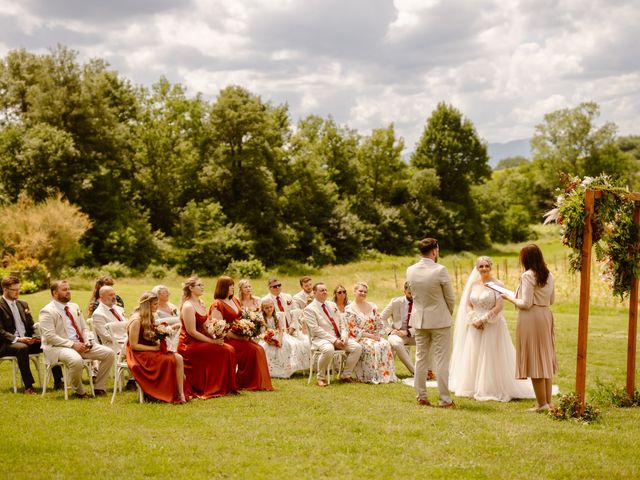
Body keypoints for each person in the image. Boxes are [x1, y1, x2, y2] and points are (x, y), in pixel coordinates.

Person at [449, 257, 535, 402]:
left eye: (486, 266)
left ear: (490, 267)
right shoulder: (473, 285)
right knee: (474, 354)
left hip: (492, 324)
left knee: (490, 355)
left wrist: (483, 319)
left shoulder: (497, 284)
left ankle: (491, 386)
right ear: (477, 268)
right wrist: (474, 318)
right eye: (481, 266)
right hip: (475, 324)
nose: (484, 269)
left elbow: (499, 306)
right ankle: (473, 386)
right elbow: (468, 304)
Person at [502, 244, 557, 412]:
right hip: (546, 315)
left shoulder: (527, 275)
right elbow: (552, 300)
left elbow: (525, 303)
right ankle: (547, 402)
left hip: (531, 318)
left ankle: (541, 404)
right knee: (544, 360)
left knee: (535, 359)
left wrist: (508, 298)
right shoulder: (549, 274)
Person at [39, 280, 115, 398]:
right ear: (54, 293)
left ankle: (99, 387)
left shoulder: (74, 306)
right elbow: (50, 337)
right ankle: (79, 392)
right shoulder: (47, 311)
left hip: (80, 344)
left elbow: (84, 328)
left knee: (109, 353)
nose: (68, 292)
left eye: (68, 289)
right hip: (58, 347)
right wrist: (72, 345)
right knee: (76, 360)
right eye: (64, 290)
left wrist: (87, 341)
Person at [406, 238, 455, 407]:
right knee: (441, 360)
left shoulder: (410, 270)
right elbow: (450, 298)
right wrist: (448, 313)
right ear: (435, 251)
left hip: (419, 320)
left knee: (421, 359)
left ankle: (421, 397)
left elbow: (413, 294)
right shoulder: (440, 270)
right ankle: (445, 400)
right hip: (440, 320)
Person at [177, 277, 238, 399]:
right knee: (225, 351)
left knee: (229, 349)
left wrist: (216, 333)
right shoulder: (188, 306)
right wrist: (212, 341)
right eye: (199, 285)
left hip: (202, 339)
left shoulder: (201, 303)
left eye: (202, 285)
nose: (202, 287)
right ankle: (212, 386)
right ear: (191, 288)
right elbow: (192, 332)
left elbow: (205, 325)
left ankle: (224, 386)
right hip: (189, 344)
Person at [210, 276, 273, 391]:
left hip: (239, 335)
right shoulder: (217, 304)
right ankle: (248, 383)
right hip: (228, 338)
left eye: (233, 285)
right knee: (252, 351)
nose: (233, 287)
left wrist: (247, 331)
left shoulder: (234, 299)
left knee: (259, 348)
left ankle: (257, 382)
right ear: (223, 287)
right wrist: (240, 337)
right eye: (230, 285)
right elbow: (219, 329)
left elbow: (240, 318)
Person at [0, 276, 62, 393]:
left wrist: (36, 337)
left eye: (19, 289)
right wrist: (18, 339)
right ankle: (28, 387)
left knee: (49, 342)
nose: (18, 292)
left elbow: (31, 325)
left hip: (26, 340)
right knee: (22, 348)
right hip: (6, 344)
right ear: (5, 289)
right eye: (15, 290)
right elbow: (1, 331)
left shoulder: (23, 304)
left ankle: (58, 381)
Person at [126, 291, 187, 403]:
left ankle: (181, 393)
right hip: (139, 354)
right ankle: (167, 392)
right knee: (169, 360)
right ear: (147, 305)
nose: (157, 306)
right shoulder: (136, 320)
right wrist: (154, 349)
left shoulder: (150, 317)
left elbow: (152, 336)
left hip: (150, 348)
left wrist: (166, 331)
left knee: (178, 358)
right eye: (155, 304)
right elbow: (134, 345)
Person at [303, 282, 362, 387]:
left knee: (357, 347)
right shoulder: (309, 309)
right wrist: (334, 341)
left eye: (326, 290)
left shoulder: (332, 305)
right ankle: (320, 378)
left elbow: (342, 323)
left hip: (338, 337)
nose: (325, 292)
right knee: (328, 349)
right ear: (314, 292)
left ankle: (346, 375)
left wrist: (344, 337)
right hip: (320, 339)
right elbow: (315, 329)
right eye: (322, 290)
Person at [344, 282, 397, 384]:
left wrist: (378, 334)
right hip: (359, 337)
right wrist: (370, 336)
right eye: (360, 291)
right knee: (374, 346)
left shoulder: (372, 306)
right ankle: (371, 376)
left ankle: (385, 375)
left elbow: (379, 322)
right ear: (355, 292)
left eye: (365, 292)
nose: (363, 293)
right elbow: (353, 328)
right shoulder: (349, 309)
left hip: (374, 335)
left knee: (385, 343)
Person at [258, 298, 307, 378]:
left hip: (279, 336)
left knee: (287, 345)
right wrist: (268, 340)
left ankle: (286, 370)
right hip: (267, 338)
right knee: (265, 348)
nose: (269, 309)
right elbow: (262, 333)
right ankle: (270, 371)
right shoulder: (261, 318)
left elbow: (280, 330)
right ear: (263, 309)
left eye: (271, 307)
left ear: (273, 306)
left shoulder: (277, 316)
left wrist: (279, 340)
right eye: (266, 308)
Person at [380, 282, 417, 376]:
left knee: (430, 341)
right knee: (396, 343)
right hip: (397, 334)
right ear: (404, 291)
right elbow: (381, 318)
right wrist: (390, 331)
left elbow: (424, 323)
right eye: (409, 293)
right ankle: (415, 372)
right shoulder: (395, 302)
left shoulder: (421, 303)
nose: (412, 296)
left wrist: (407, 332)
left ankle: (428, 371)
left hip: (415, 334)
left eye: (414, 293)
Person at [92, 285, 127, 349]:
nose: (114, 297)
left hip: (127, 341)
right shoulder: (98, 314)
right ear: (101, 297)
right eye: (110, 295)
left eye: (114, 294)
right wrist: (125, 342)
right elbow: (106, 336)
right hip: (114, 345)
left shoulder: (119, 309)